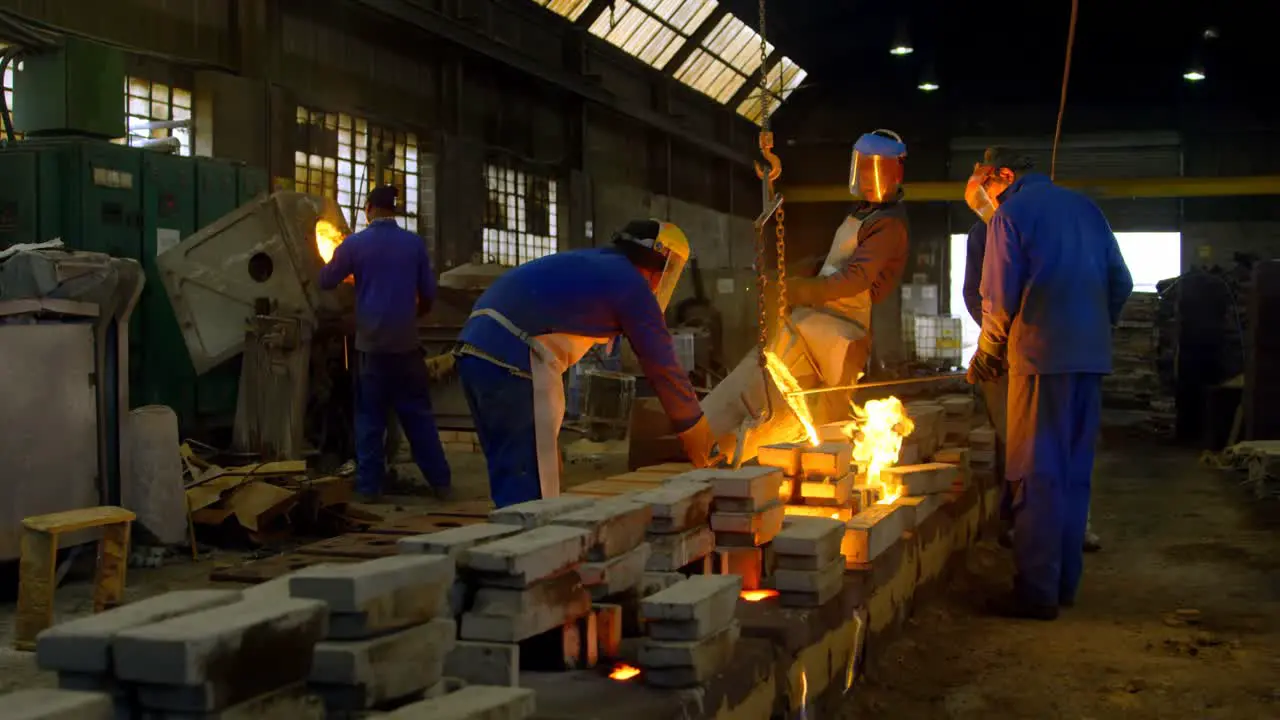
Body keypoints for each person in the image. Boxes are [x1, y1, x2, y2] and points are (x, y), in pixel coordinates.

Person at [964, 147, 1133, 620]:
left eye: (985, 188)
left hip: (1040, 360)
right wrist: (1093, 330)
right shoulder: (1087, 208)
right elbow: (1122, 281)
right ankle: (1064, 585)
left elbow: (996, 300)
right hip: (1090, 359)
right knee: (1074, 473)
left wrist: (987, 355)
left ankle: (1036, 594)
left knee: (1036, 476)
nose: (985, 200)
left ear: (1003, 175)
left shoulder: (1010, 215)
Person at [455, 219, 717, 508]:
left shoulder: (597, 265)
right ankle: (530, 548)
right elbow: (662, 364)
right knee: (530, 495)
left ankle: (508, 544)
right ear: (662, 264)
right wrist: (697, 435)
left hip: (475, 352)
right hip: (515, 357)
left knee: (513, 469)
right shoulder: (630, 282)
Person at [962, 218, 1104, 554]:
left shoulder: (1002, 227)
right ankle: (1032, 523)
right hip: (1034, 353)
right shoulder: (1076, 225)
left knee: (1030, 444)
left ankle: (1052, 528)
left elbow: (989, 296)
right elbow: (977, 294)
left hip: (1040, 354)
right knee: (1032, 443)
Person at [319, 185, 452, 502]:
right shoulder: (413, 244)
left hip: (372, 349)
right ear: (394, 211)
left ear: (368, 209)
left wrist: (353, 275)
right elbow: (429, 294)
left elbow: (326, 280)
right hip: (406, 346)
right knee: (418, 416)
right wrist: (414, 314)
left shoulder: (356, 244)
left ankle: (368, 489)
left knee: (369, 419)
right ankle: (441, 484)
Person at [785, 129, 910, 397]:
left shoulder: (888, 223)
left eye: (875, 170)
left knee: (829, 410)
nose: (867, 178)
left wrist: (798, 289)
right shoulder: (862, 212)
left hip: (845, 329)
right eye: (862, 170)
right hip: (822, 314)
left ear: (895, 174)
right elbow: (835, 260)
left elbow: (856, 278)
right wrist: (793, 273)